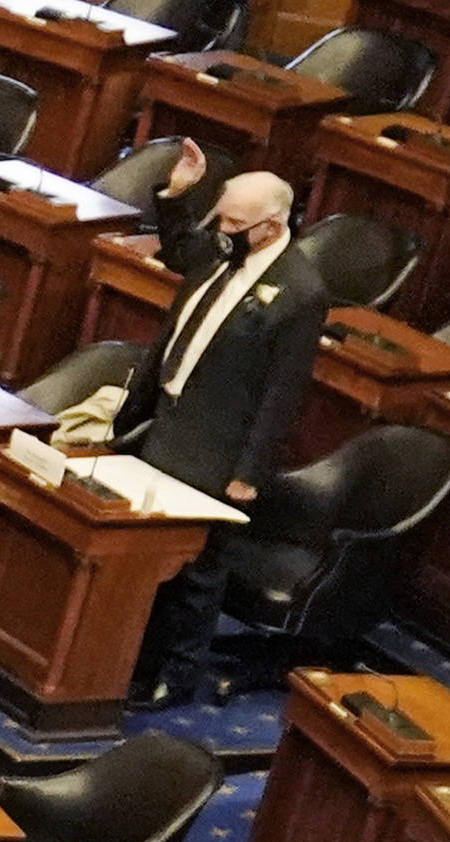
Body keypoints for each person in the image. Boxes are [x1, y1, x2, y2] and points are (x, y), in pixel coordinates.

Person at [111, 164, 325, 706]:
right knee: (148, 558)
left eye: (234, 222)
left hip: (218, 447)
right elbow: (180, 248)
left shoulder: (300, 292)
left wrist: (249, 473)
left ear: (272, 227)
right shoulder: (221, 251)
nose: (222, 229)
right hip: (166, 424)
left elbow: (283, 392)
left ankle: (175, 676)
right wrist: (178, 194)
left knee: (197, 574)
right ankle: (130, 659)